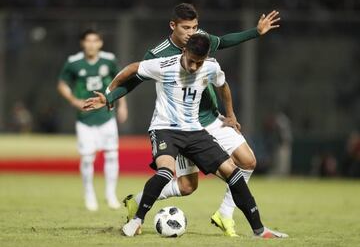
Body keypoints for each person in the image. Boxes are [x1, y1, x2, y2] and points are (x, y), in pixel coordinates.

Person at [84, 34, 288, 238]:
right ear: (184, 51)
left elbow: (223, 85)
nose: (193, 67)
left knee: (234, 174)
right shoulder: (164, 65)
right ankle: (137, 219)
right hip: (164, 129)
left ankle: (259, 230)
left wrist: (231, 114)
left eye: (198, 63)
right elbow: (133, 69)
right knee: (166, 172)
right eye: (191, 61)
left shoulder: (211, 67)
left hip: (194, 131)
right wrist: (109, 95)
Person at [57, 29, 128, 211]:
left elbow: (119, 82)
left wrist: (122, 105)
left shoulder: (109, 60)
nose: (91, 44)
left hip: (106, 115)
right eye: (88, 41)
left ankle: (110, 194)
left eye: (95, 40)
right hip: (85, 118)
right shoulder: (74, 62)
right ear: (83, 43)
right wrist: (74, 101)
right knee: (88, 158)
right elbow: (62, 84)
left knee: (112, 154)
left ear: (100, 43)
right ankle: (89, 193)